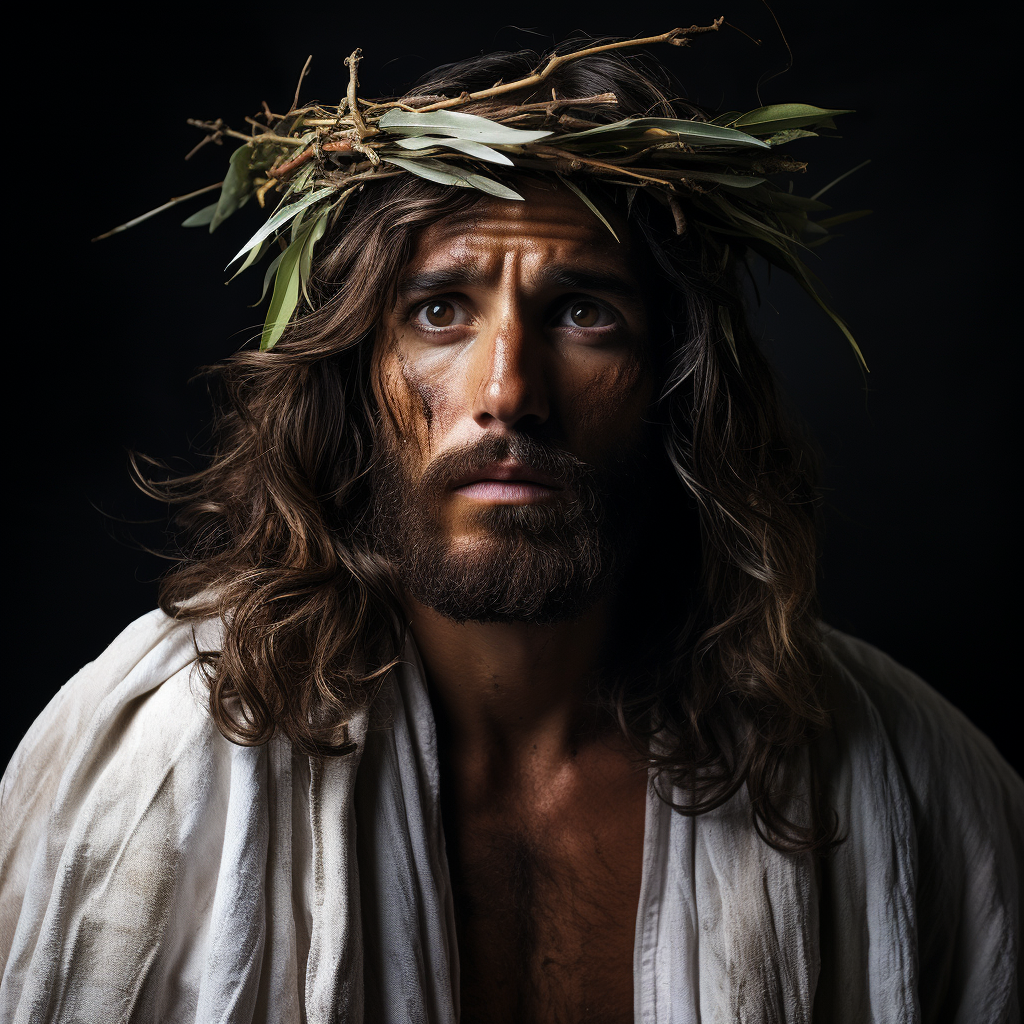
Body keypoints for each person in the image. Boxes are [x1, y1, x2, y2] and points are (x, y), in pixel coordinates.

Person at [2, 31, 1021, 1024]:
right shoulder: (154, 754)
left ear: (678, 387)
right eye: (440, 310)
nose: (508, 392)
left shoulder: (907, 779)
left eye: (583, 313)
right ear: (354, 380)